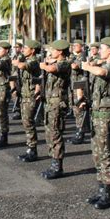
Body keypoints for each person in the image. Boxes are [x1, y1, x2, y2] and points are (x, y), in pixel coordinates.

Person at [82, 37, 110, 210]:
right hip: (97, 115)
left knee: (106, 155)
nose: (99, 51)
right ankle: (101, 190)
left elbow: (102, 72)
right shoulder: (102, 63)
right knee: (98, 154)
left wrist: (88, 66)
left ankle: (107, 194)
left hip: (107, 117)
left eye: (103, 48)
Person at [39, 39, 71, 179]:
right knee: (50, 132)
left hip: (57, 103)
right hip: (50, 102)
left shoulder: (64, 63)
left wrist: (43, 65)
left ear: (60, 51)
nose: (50, 52)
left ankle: (58, 166)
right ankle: (53, 163)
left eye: (52, 50)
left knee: (55, 133)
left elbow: (52, 68)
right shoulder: (56, 62)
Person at [16, 39, 42, 162]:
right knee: (26, 122)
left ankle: (33, 150)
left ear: (32, 50)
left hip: (31, 95)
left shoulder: (34, 61)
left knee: (28, 122)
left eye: (26, 48)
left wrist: (17, 61)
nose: (23, 50)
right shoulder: (28, 59)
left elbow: (22, 66)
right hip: (25, 95)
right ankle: (30, 148)